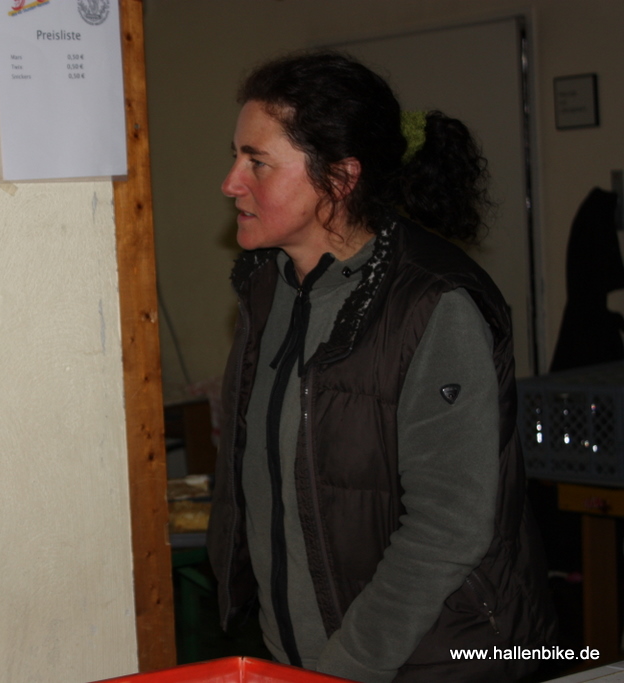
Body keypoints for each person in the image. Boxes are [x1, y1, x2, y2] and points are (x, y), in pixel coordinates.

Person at [206, 51, 556, 682]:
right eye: (235, 156)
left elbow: (449, 524)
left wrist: (345, 667)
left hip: (434, 663)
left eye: (257, 162)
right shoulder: (266, 289)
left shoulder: (433, 305)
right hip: (300, 658)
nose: (231, 182)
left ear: (340, 178)